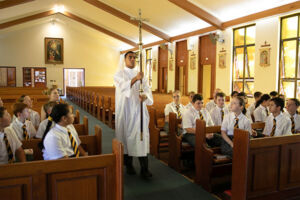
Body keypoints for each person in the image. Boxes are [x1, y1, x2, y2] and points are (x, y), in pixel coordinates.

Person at [114, 51, 153, 179]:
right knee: (125, 137)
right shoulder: (119, 74)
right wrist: (136, 78)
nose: (132, 59)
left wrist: (145, 96)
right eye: (129, 57)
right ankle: (129, 165)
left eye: (134, 57)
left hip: (139, 111)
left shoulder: (142, 75)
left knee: (141, 137)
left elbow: (147, 90)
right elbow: (122, 87)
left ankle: (144, 168)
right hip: (126, 111)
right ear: (124, 60)